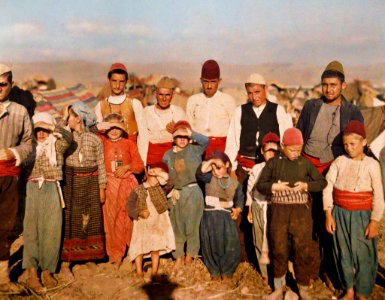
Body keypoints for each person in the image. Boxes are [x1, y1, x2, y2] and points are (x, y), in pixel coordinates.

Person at [296, 60, 364, 284]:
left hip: (334, 170)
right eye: (325, 85)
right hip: (308, 166)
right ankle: (306, 267)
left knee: (330, 219)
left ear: (343, 86)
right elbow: (298, 136)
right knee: (306, 219)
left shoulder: (352, 111)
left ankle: (330, 268)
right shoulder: (310, 106)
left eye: (333, 85)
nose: (328, 89)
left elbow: (359, 142)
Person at [225, 73, 292, 262]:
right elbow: (232, 140)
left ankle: (272, 255)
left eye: (257, 92)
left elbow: (286, 139)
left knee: (268, 212)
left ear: (265, 89)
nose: (254, 97)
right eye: (250, 93)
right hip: (244, 168)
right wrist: (232, 168)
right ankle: (244, 256)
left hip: (269, 170)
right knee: (241, 211)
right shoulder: (240, 111)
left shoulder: (277, 111)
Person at [256, 128, 327, 300]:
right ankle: (278, 288)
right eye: (292, 149)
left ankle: (302, 288)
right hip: (279, 211)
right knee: (278, 248)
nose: (296, 153)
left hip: (301, 213)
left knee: (302, 248)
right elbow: (260, 185)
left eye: (299, 149)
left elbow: (322, 182)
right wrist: (274, 187)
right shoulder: (274, 163)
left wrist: (306, 186)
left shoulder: (304, 163)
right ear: (282, 146)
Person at [323, 121, 384, 300]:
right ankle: (348, 289)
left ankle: (362, 292)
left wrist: (374, 221)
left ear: (364, 142)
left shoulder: (372, 164)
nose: (348, 148)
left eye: (353, 144)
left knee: (363, 253)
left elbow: (379, 195)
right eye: (345, 144)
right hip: (340, 214)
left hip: (362, 216)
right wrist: (328, 213)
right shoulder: (340, 162)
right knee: (344, 251)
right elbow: (328, 187)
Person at [21, 112, 72, 291]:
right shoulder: (28, 147)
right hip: (31, 188)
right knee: (31, 230)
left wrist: (50, 125)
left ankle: (47, 271)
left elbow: (69, 136)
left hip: (51, 188)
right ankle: (32, 272)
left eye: (44, 129)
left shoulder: (57, 146)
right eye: (37, 130)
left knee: (52, 230)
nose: (41, 134)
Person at [60, 101, 107, 279]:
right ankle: (67, 261)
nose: (67, 119)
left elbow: (101, 164)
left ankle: (90, 257)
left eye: (70, 116)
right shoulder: (65, 138)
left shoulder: (95, 139)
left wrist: (102, 187)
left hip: (91, 181)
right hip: (70, 181)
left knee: (91, 217)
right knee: (71, 218)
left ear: (78, 118)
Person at [0, 64, 33, 292]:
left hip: (9, 176)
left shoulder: (20, 112)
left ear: (10, 85)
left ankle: (2, 278)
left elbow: (30, 144)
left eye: (2, 84)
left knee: (6, 226)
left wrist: (13, 152)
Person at [99, 113, 144, 267]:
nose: (114, 131)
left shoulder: (129, 144)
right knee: (112, 219)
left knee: (129, 217)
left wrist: (127, 166)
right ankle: (116, 254)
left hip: (127, 184)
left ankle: (134, 251)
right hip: (110, 185)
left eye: (117, 127)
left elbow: (139, 166)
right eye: (110, 127)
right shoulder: (101, 142)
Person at [163, 120, 208, 272]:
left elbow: (205, 140)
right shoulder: (168, 155)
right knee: (177, 226)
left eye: (185, 136)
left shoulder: (195, 149)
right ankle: (179, 256)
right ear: (173, 138)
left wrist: (190, 132)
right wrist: (170, 191)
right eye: (179, 136)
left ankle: (190, 255)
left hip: (193, 192)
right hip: (176, 194)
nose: (182, 139)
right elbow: (165, 175)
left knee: (193, 225)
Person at [197, 151, 244, 281]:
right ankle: (214, 270)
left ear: (227, 164)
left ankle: (227, 270)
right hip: (210, 217)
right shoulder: (208, 178)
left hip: (226, 217)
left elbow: (240, 196)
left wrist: (238, 209)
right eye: (213, 168)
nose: (216, 172)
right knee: (210, 243)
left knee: (229, 243)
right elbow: (200, 172)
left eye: (219, 168)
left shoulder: (234, 182)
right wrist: (212, 162)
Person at [126, 168, 175, 281]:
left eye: (159, 177)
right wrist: (139, 212)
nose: (157, 179)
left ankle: (154, 272)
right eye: (154, 176)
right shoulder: (137, 190)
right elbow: (129, 206)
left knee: (155, 247)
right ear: (146, 175)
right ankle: (139, 272)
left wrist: (160, 173)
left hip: (156, 223)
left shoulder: (161, 189)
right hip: (142, 224)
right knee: (139, 247)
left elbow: (171, 182)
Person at [94, 63, 148, 163]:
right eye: (114, 81)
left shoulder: (134, 104)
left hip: (131, 156)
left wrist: (142, 161)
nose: (117, 85)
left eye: (121, 81)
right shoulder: (101, 105)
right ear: (108, 80)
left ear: (126, 82)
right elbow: (98, 132)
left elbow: (143, 135)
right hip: (108, 157)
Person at [246, 132, 280, 284]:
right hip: (258, 206)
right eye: (268, 150)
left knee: (274, 241)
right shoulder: (256, 168)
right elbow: (250, 190)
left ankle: (277, 273)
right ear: (262, 151)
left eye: (275, 151)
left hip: (274, 208)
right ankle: (264, 273)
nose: (271, 154)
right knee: (259, 239)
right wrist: (250, 209)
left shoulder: (282, 168)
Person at [186, 59, 236, 159]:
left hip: (221, 149)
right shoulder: (193, 100)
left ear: (219, 81)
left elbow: (233, 132)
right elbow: (188, 128)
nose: (209, 86)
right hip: (197, 150)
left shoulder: (228, 100)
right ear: (201, 80)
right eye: (206, 82)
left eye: (213, 82)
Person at [143, 76, 186, 170]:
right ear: (155, 94)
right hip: (151, 160)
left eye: (167, 95)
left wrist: (177, 131)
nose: (164, 99)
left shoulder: (179, 112)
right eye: (161, 94)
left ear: (172, 95)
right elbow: (141, 140)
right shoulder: (146, 112)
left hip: (173, 160)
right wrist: (143, 164)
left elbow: (188, 138)